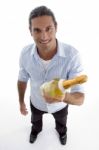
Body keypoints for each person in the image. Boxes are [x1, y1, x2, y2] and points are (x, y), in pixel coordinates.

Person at [17, 6, 85, 145]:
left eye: (49, 28)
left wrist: (64, 97)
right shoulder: (25, 54)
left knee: (61, 122)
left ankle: (62, 132)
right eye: (37, 30)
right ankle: (36, 130)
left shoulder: (72, 56)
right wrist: (21, 101)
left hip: (60, 106)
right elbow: (22, 78)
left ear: (56, 27)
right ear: (30, 31)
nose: (44, 36)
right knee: (35, 121)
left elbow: (80, 98)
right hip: (36, 102)